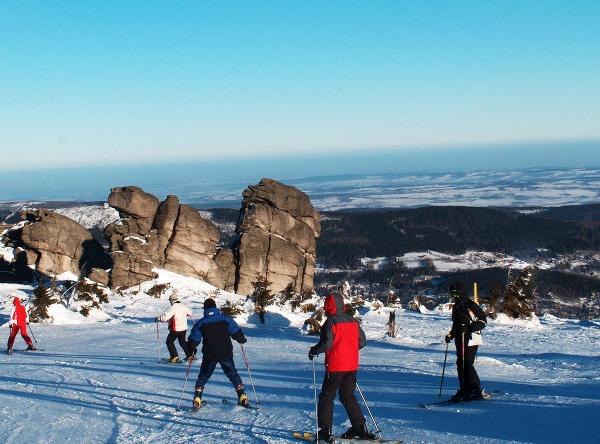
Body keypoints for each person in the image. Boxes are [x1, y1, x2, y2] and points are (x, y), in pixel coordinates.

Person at [308, 291, 374, 442]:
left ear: (328, 306)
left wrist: (314, 350)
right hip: (351, 366)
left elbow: (327, 344)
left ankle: (325, 430)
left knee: (327, 397)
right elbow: (362, 341)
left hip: (335, 366)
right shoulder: (352, 320)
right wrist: (349, 349)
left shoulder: (331, 322)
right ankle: (360, 428)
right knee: (348, 396)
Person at [187, 298, 250, 410]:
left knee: (204, 375)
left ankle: (197, 398)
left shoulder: (201, 322)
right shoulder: (226, 319)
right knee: (232, 373)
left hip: (209, 354)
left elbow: (194, 339)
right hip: (225, 352)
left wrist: (192, 349)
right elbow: (235, 330)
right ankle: (242, 396)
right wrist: (241, 339)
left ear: (205, 309)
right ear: (215, 307)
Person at [444, 281, 487, 401]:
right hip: (460, 337)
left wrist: (469, 328)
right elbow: (456, 324)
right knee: (460, 364)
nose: (454, 296)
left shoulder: (471, 305)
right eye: (452, 293)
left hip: (472, 338)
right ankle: (464, 388)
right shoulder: (456, 307)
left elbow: (483, 321)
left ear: (461, 292)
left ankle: (474, 388)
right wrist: (450, 335)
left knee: (467, 363)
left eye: (456, 293)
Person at [155, 293, 193, 363]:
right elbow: (190, 312)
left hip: (176, 328)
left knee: (169, 342)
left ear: (172, 300)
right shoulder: (183, 306)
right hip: (184, 328)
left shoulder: (172, 308)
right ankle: (189, 355)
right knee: (182, 342)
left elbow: (165, 317)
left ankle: (174, 356)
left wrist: (158, 318)